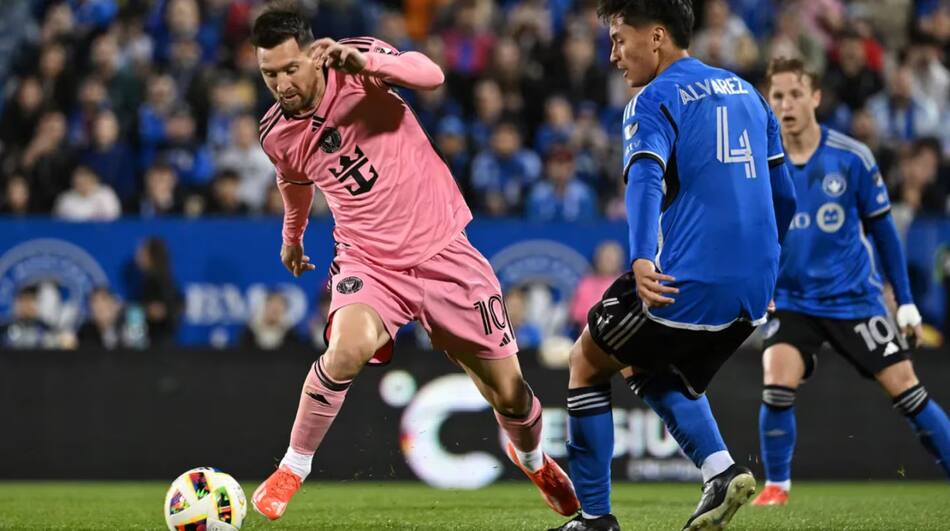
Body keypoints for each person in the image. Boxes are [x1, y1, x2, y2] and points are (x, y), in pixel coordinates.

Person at [247, 2, 578, 521]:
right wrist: (293, 236)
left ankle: (532, 457)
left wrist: (374, 67)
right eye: (270, 74)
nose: (282, 83)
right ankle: (293, 466)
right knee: (346, 348)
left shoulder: (353, 60)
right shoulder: (275, 133)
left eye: (290, 69)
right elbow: (292, 179)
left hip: (444, 250)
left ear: (312, 55)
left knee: (510, 395)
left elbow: (431, 73)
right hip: (369, 260)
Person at [550, 1, 796, 530]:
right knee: (645, 364)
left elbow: (644, 180)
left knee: (586, 362)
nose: (614, 54)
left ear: (656, 37)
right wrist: (770, 268)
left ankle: (593, 520)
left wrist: (640, 257)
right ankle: (720, 472)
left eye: (619, 39)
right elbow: (786, 198)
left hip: (686, 283)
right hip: (754, 293)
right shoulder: (750, 95)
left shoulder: (652, 100)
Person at [751, 57, 950, 507]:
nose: (786, 104)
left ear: (815, 97)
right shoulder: (759, 162)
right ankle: (777, 488)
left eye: (795, 94)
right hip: (792, 300)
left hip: (853, 300)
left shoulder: (852, 157)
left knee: (909, 393)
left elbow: (884, 232)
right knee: (775, 382)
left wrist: (905, 303)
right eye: (777, 96)